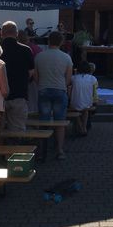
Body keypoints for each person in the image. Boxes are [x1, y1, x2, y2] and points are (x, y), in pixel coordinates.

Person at [35, 31, 73, 159]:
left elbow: (36, 77)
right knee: (60, 121)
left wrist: (42, 85)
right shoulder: (66, 57)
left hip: (44, 89)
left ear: (48, 41)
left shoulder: (39, 56)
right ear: (61, 42)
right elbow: (68, 78)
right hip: (59, 89)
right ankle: (60, 150)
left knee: (43, 120)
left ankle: (42, 150)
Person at [0, 21, 35, 132]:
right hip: (19, 95)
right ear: (16, 34)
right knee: (17, 132)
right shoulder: (26, 50)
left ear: (2, 33)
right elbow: (31, 71)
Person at [69, 60, 98, 136]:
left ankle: (80, 126)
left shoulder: (73, 78)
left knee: (76, 111)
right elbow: (95, 90)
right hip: (88, 101)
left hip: (75, 102)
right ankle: (84, 127)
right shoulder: (93, 78)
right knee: (85, 110)